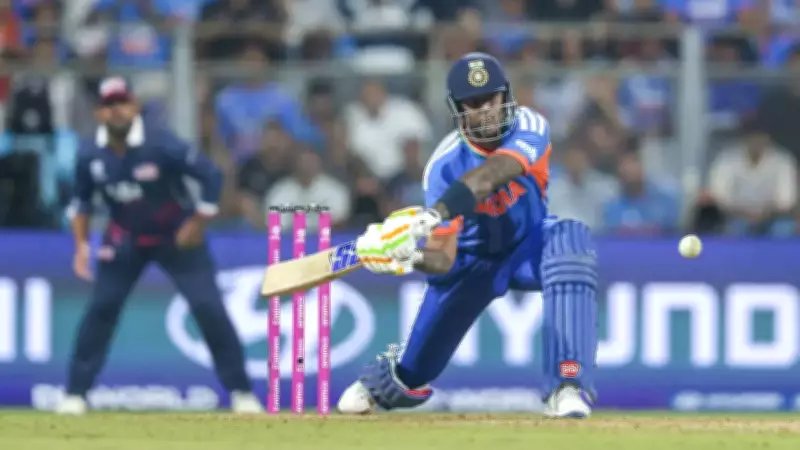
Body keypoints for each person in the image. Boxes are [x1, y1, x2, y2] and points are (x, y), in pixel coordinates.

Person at [338, 53, 599, 418]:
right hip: (470, 262)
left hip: (528, 246)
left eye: (491, 99)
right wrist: (409, 255)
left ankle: (567, 385)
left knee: (570, 243)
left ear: (506, 96)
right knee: (413, 373)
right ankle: (380, 383)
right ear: (458, 110)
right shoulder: (442, 166)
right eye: (474, 104)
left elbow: (492, 174)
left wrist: (431, 216)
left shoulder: (530, 125)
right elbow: (443, 258)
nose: (486, 111)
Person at [57, 77, 261, 415]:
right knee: (101, 309)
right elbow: (81, 203)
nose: (116, 110)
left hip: (176, 237)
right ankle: (75, 394)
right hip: (124, 238)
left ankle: (242, 393)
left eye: (122, 102)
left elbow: (211, 175)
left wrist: (198, 222)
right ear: (98, 113)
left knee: (208, 307)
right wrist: (80, 246)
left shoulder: (160, 142)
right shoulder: (90, 151)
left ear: (135, 106)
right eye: (109, 105)